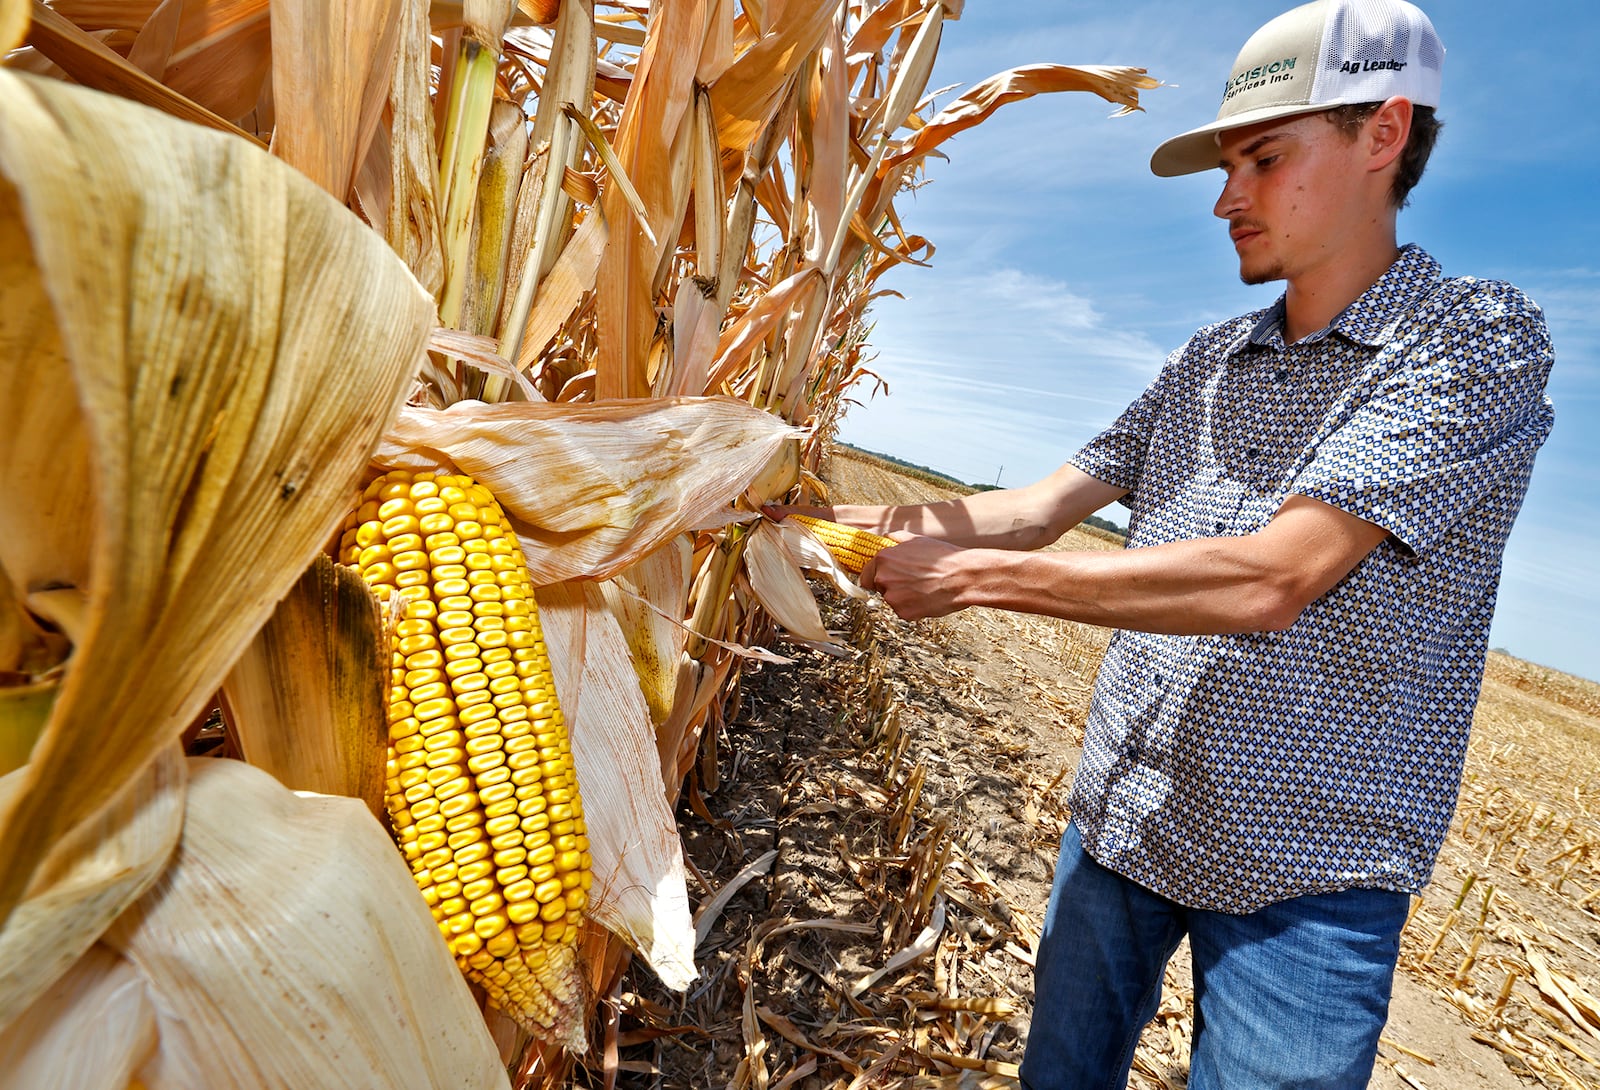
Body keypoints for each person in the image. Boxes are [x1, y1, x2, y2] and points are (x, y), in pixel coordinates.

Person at [780, 0, 1555, 1085]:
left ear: (1383, 135)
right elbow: (1031, 508)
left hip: (1309, 879)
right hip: (1122, 826)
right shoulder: (1208, 356)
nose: (1226, 199)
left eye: (1264, 158)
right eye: (1226, 164)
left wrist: (976, 581)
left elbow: (1275, 575)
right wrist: (803, 521)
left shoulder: (1472, 337)